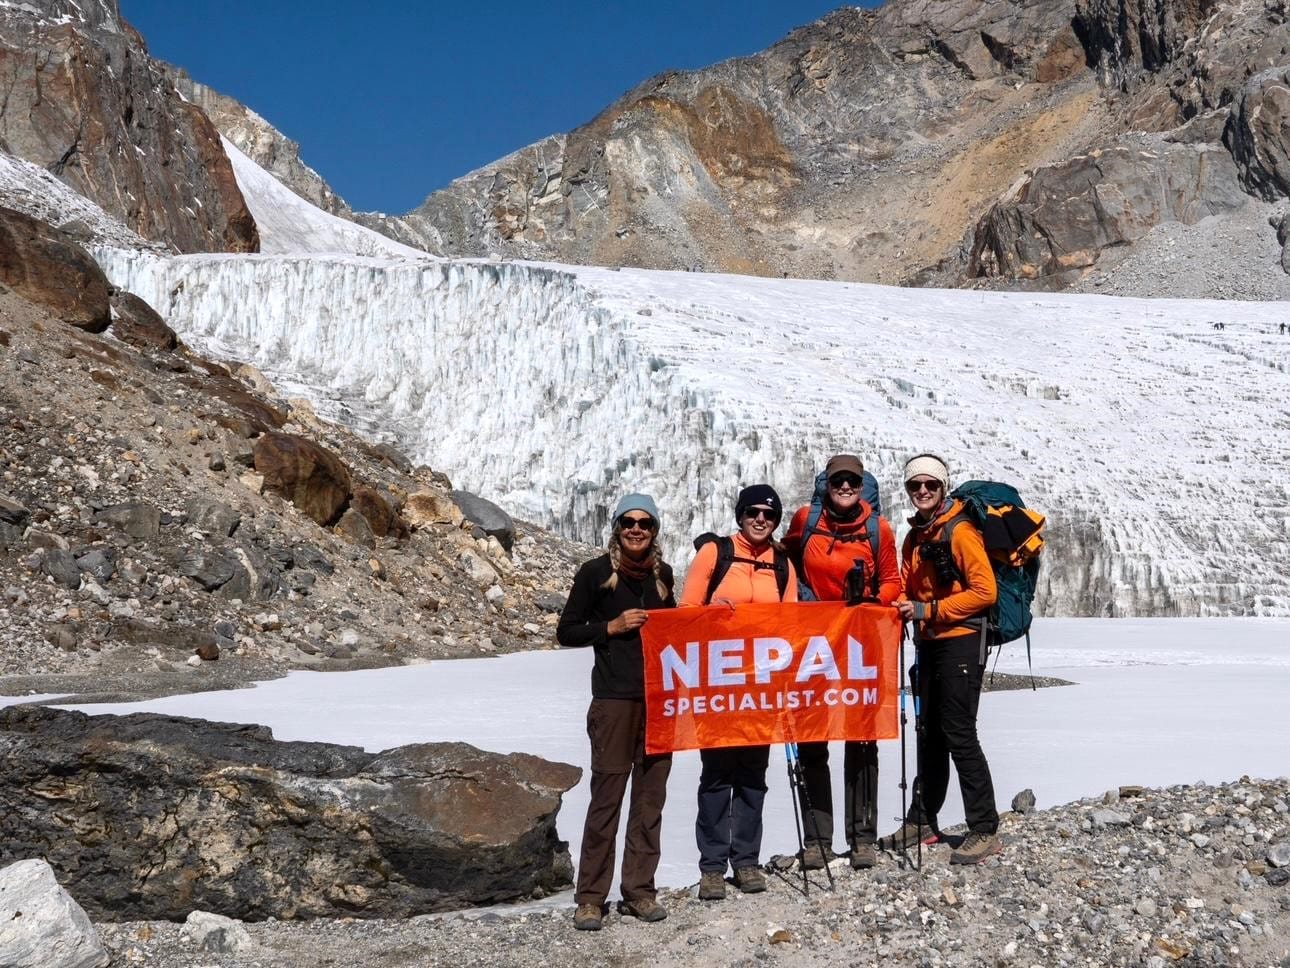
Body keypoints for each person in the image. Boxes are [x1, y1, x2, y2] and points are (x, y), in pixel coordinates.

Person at [557, 493, 676, 931]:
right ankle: (591, 897)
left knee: (650, 799)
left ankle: (639, 891)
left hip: (659, 701)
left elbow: (676, 634)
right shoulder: (594, 573)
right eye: (629, 521)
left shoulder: (663, 575)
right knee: (607, 796)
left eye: (645, 523)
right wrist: (610, 627)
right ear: (617, 526)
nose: (636, 529)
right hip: (613, 700)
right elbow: (566, 630)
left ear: (655, 529)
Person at [880, 454, 1002, 865]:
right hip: (931, 643)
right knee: (929, 732)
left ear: (943, 486)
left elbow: (985, 592)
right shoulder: (915, 536)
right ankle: (923, 818)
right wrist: (901, 605)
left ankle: (983, 827)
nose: (923, 492)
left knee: (957, 731)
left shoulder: (961, 531)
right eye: (916, 486)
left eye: (930, 485)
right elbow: (908, 587)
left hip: (961, 642)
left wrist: (927, 611)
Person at [782, 454, 901, 871]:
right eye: (838, 481)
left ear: (861, 484)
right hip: (813, 642)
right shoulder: (805, 520)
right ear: (826, 485)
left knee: (862, 739)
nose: (845, 487)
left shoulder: (877, 529)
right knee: (812, 738)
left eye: (852, 480)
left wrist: (870, 602)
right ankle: (817, 840)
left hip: (861, 642)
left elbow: (892, 581)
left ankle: (862, 838)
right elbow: (785, 561)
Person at [679, 484, 798, 901]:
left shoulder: (782, 563)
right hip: (717, 683)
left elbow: (791, 624)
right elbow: (686, 614)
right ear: (740, 514)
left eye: (768, 513)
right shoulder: (715, 553)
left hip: (761, 685)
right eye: (753, 511)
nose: (760, 518)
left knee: (752, 775)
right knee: (716, 775)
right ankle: (712, 867)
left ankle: (745, 861)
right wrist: (712, 618)